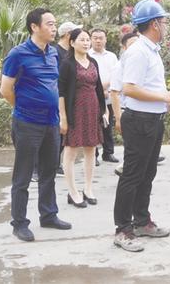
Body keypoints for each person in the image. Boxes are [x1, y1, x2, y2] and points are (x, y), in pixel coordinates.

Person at [0, 8, 72, 243]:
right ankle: (19, 223)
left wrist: (59, 116)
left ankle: (48, 215)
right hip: (27, 124)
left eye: (55, 24)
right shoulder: (17, 54)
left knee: (49, 172)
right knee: (22, 175)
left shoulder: (53, 53)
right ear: (34, 27)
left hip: (51, 123)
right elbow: (6, 90)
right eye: (49, 24)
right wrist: (24, 109)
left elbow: (55, 87)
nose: (54, 28)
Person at [113, 0, 170, 252]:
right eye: (164, 22)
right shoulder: (139, 51)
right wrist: (164, 97)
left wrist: (162, 101)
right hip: (139, 121)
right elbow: (129, 88)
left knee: (147, 173)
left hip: (152, 120)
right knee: (132, 175)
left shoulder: (151, 50)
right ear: (154, 24)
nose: (166, 26)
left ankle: (141, 221)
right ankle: (122, 229)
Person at [59, 29, 106, 208]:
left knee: (91, 149)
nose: (86, 43)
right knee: (71, 151)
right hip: (75, 111)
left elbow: (98, 88)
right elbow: (61, 92)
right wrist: (63, 117)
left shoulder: (93, 62)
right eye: (82, 40)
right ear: (72, 43)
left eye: (88, 40)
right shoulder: (67, 64)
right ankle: (73, 192)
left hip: (92, 109)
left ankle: (88, 188)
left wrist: (103, 111)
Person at [52, 21, 81, 177]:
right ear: (69, 35)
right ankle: (47, 165)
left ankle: (55, 164)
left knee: (65, 132)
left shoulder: (71, 53)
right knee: (58, 132)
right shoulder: (55, 52)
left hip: (71, 99)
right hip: (59, 97)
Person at [111, 32, 140, 177]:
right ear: (124, 47)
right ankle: (126, 174)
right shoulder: (119, 66)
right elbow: (114, 93)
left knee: (138, 148)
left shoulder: (140, 63)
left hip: (140, 112)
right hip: (126, 111)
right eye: (132, 44)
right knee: (132, 148)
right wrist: (118, 118)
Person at [89, 28, 120, 164]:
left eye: (101, 38)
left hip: (109, 96)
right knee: (93, 125)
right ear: (91, 39)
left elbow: (117, 75)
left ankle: (108, 153)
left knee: (108, 125)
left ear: (105, 39)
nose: (98, 40)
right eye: (95, 38)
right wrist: (100, 90)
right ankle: (93, 155)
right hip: (92, 96)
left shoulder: (112, 56)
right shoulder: (87, 55)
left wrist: (107, 89)